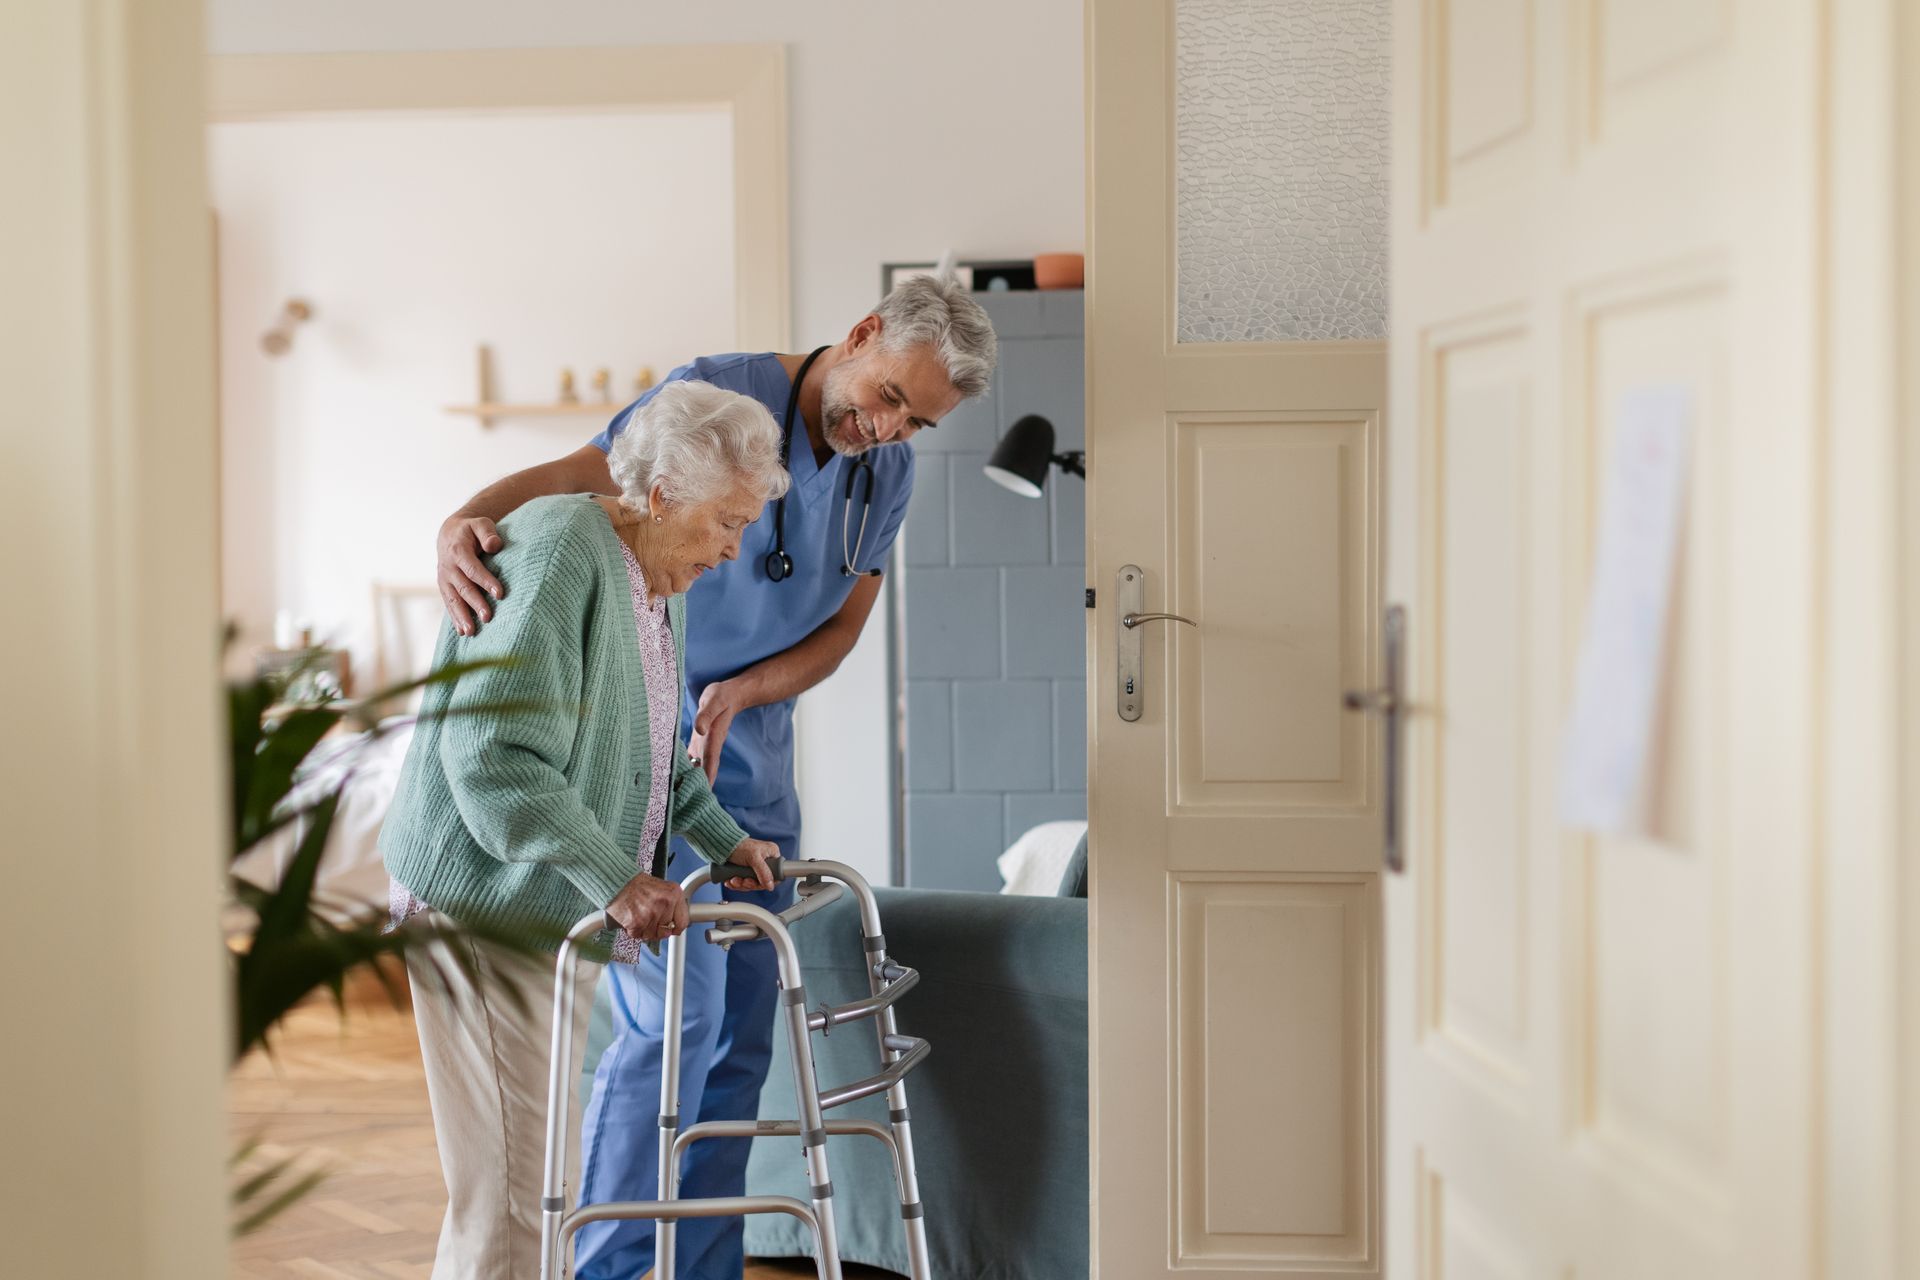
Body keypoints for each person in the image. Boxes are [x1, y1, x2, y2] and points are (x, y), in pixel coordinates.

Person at [435, 275, 998, 1280]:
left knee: (741, 1024)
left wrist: (744, 693)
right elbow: (579, 478)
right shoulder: (719, 400)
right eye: (888, 396)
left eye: (917, 419)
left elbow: (842, 629)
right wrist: (460, 521)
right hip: (645, 731)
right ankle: (610, 1262)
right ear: (861, 333)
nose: (890, 427)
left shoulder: (885, 475)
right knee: (671, 1020)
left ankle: (699, 1263)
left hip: (746, 752)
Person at [382, 381, 791, 1279]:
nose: (734, 547)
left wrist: (722, 836)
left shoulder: (657, 577)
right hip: (480, 899)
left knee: (534, 1173)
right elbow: (491, 756)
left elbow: (650, 751)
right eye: (726, 520)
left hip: (536, 896)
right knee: (514, 1188)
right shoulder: (565, 546)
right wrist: (615, 875)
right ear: (659, 495)